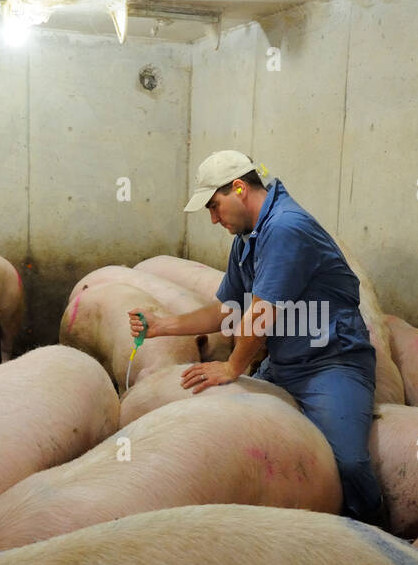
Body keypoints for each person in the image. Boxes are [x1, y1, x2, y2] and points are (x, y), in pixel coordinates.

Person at [128, 151, 388, 527]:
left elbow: (261, 315)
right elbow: (224, 309)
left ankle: (377, 531)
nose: (215, 219)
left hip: (331, 364)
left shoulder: (286, 228)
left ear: (239, 189)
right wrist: (160, 326)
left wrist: (233, 366)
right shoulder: (248, 237)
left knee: (347, 462)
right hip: (283, 363)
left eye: (215, 207)